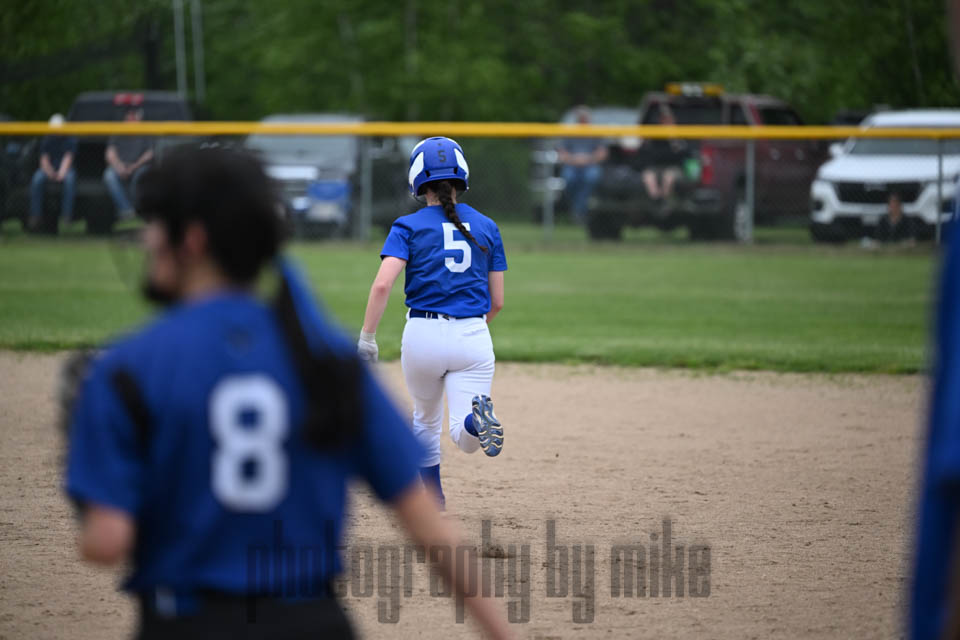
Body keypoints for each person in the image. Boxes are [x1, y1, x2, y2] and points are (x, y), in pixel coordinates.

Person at [64, 145, 513, 639]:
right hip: (312, 619)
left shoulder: (129, 369)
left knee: (426, 420)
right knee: (438, 426)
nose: (146, 240)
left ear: (192, 239)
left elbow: (105, 542)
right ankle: (472, 420)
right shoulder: (325, 361)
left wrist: (87, 453)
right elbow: (427, 527)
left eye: (154, 226)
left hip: (187, 619)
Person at [357, 136, 507, 510]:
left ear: (417, 180)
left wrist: (367, 338)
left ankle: (434, 500)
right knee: (463, 435)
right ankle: (474, 422)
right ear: (462, 177)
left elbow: (382, 285)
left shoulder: (406, 226)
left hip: (422, 334)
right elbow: (498, 302)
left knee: (425, 420)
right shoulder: (487, 225)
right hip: (472, 333)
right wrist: (470, 328)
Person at [557, 106, 608, 223]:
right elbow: (562, 153)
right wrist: (574, 159)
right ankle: (578, 209)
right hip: (572, 165)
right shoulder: (570, 132)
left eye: (585, 118)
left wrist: (588, 159)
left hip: (590, 165)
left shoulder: (595, 132)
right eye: (580, 119)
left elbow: (602, 153)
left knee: (591, 177)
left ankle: (577, 210)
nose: (583, 121)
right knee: (569, 178)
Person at [103, 107, 154, 220]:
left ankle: (138, 210)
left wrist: (134, 167)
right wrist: (119, 166)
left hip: (138, 166)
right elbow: (109, 153)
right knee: (109, 175)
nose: (131, 118)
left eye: (134, 115)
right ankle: (127, 211)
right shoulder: (118, 130)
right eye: (129, 115)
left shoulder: (145, 131)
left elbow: (149, 154)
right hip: (120, 166)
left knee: (141, 175)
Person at [28, 113, 77, 230]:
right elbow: (44, 159)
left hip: (65, 169)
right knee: (37, 179)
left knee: (70, 180)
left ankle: (66, 215)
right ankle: (35, 215)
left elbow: (68, 158)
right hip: (48, 169)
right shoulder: (47, 139)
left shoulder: (70, 139)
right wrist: (50, 172)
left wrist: (61, 173)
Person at [640, 109, 688, 205]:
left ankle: (665, 201)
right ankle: (655, 201)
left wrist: (673, 140)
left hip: (674, 167)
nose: (666, 123)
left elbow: (683, 155)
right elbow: (647, 153)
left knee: (668, 176)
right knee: (648, 175)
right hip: (656, 167)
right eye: (664, 120)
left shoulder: (679, 134)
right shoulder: (655, 134)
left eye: (669, 120)